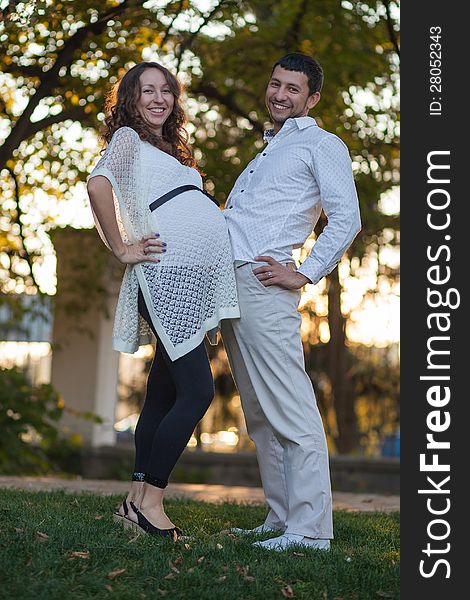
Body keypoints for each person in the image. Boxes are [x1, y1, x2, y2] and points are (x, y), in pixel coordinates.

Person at [87, 62, 239, 539]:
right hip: (167, 277)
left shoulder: (165, 149)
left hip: (187, 279)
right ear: (129, 99)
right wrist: (121, 248)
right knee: (197, 391)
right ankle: (153, 501)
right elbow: (97, 186)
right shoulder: (128, 140)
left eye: (165, 91)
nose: (158, 98)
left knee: (164, 392)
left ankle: (134, 499)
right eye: (146, 90)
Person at [221, 52, 361, 551]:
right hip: (230, 283)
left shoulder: (322, 144)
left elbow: (346, 218)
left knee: (292, 408)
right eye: (276, 84)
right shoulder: (270, 149)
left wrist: (302, 273)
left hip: (265, 285)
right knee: (259, 412)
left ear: (312, 98)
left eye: (293, 89)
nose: (280, 94)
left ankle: (311, 530)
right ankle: (281, 518)